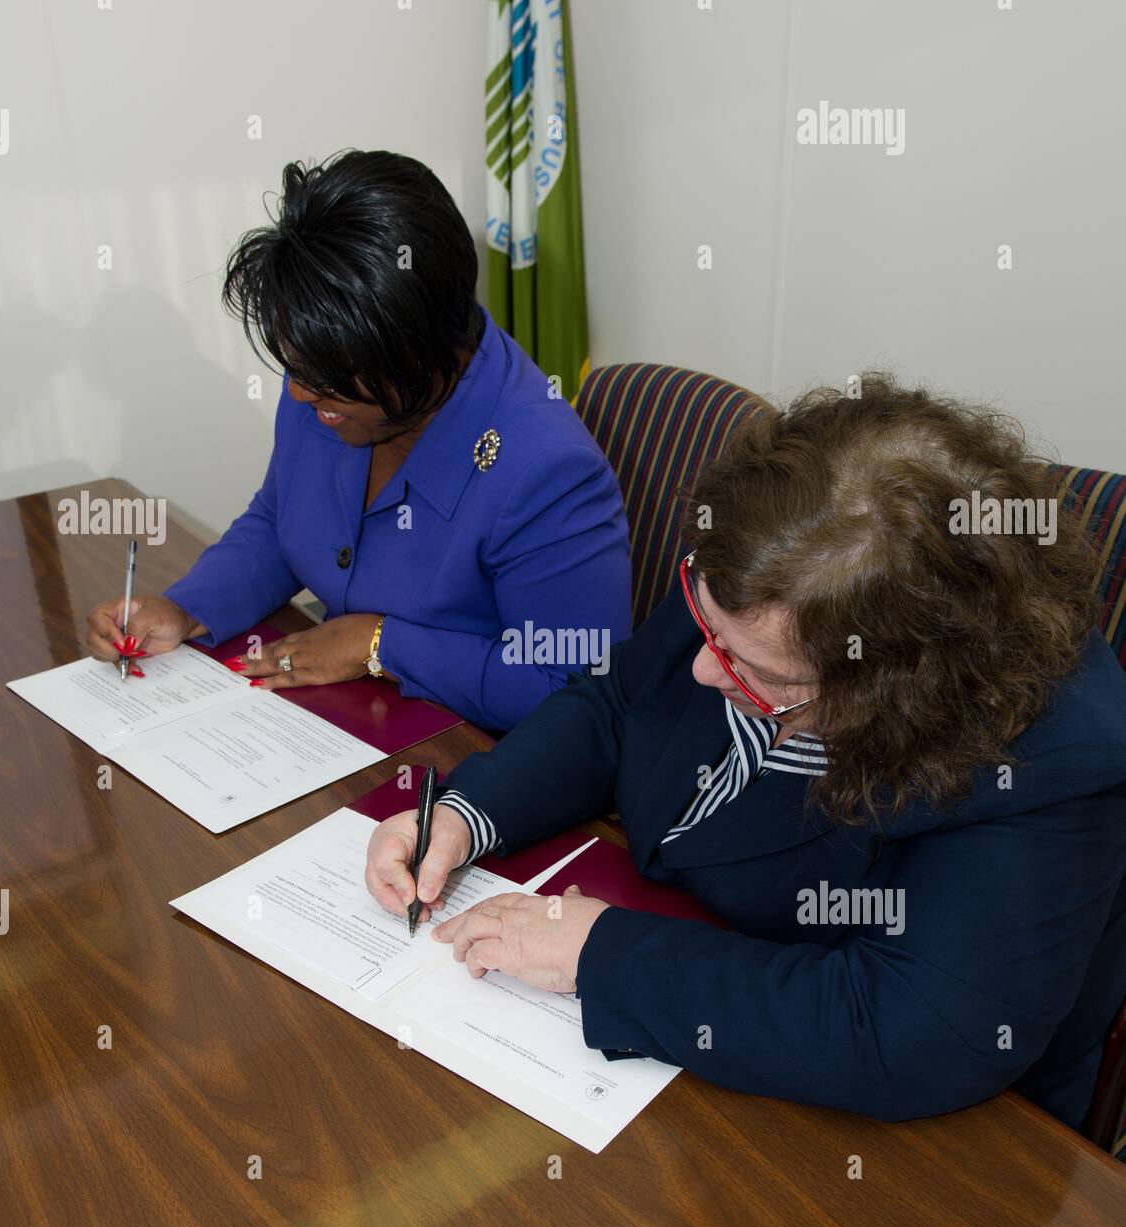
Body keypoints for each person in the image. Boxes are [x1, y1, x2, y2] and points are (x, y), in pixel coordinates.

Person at [366, 373, 1126, 1129]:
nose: (702, 667)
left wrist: (603, 956)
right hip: (701, 987)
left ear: (888, 690)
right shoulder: (762, 570)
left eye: (754, 672)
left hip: (929, 1143)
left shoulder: (1052, 768)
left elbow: (905, 1031)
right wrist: (470, 813)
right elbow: (621, 700)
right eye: (707, 625)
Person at [85, 150, 631, 730]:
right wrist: (185, 609)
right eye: (294, 370)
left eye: (322, 384)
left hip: (471, 760)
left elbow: (573, 687)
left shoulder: (547, 470)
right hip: (343, 724)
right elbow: (281, 521)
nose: (298, 396)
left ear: (420, 353)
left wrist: (380, 644)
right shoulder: (330, 372)